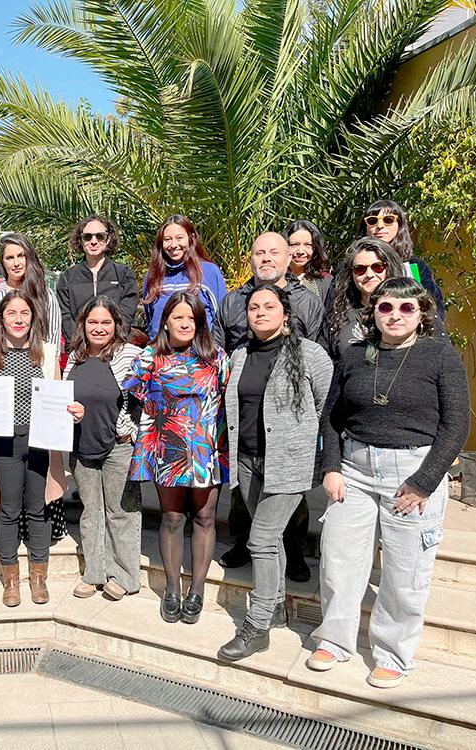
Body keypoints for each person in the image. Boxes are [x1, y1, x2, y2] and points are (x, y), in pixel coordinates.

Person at [311, 278, 469, 688]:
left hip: (412, 472)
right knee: (339, 560)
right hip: (355, 470)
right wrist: (331, 467)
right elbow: (332, 417)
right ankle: (334, 640)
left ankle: (393, 653)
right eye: (386, 307)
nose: (395, 315)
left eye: (406, 308)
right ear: (374, 312)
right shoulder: (353, 355)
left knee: (405, 571)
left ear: (421, 314)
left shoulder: (440, 356)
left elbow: (456, 426)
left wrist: (425, 481)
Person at [217, 285, 333, 662]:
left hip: (289, 464)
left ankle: (258, 625)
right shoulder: (240, 354)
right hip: (248, 461)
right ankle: (278, 605)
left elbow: (327, 407)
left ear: (285, 314)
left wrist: (316, 453)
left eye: (269, 306)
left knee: (262, 539)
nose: (260, 312)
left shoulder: (309, 354)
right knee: (272, 538)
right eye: (254, 307)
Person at [213, 232, 325, 579]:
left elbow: (316, 357)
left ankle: (293, 550)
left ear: (288, 257)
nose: (266, 258)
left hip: (288, 419)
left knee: (289, 494)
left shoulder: (307, 301)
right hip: (246, 406)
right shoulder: (233, 301)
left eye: (273, 252)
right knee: (242, 492)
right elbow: (219, 346)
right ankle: (242, 543)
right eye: (259, 252)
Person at [0, 290, 74, 607]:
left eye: (25, 313)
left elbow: (56, 399)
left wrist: (70, 410)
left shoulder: (47, 352)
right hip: (3, 443)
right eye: (12, 313)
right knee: (8, 510)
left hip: (39, 441)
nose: (19, 319)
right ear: (1, 318)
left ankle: (38, 577)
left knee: (38, 508)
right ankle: (11, 579)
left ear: (34, 318)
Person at [123, 292, 228, 623]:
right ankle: (171, 588)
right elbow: (131, 396)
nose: (185, 323)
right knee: (171, 518)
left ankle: (196, 590)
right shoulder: (150, 357)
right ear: (166, 321)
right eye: (178, 317)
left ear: (200, 323)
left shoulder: (217, 357)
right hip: (167, 448)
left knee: (205, 517)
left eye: (191, 318)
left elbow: (230, 400)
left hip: (206, 450)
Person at [64, 296, 142, 600]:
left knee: (121, 511)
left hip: (118, 446)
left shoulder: (130, 356)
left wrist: (131, 430)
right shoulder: (74, 357)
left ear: (116, 324)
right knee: (91, 512)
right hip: (82, 446)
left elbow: (145, 399)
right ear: (83, 325)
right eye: (92, 322)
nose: (99, 328)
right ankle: (94, 573)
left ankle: (124, 576)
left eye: (105, 322)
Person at [321, 238, 408, 359]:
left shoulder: (410, 312)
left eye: (378, 267)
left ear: (390, 268)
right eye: (360, 269)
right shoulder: (338, 315)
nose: (369, 275)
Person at [55, 215, 139, 343]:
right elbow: (65, 315)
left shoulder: (124, 274)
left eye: (100, 236)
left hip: (116, 346)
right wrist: (77, 344)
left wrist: (114, 342)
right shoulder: (67, 277)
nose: (93, 241)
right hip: (80, 348)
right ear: (80, 240)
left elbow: (127, 313)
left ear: (108, 239)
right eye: (87, 237)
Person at [142, 215, 228, 338]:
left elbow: (222, 318)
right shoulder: (153, 276)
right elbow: (150, 318)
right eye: (167, 239)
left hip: (200, 347)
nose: (173, 245)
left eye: (179, 238)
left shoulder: (209, 272)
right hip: (161, 348)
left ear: (191, 238)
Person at [0, 232, 63, 349]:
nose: (16, 263)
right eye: (10, 258)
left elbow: (53, 344)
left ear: (29, 258)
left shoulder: (45, 295)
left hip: (37, 359)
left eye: (21, 256)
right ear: (3, 262)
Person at [358, 199, 445, 317]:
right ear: (366, 227)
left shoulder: (415, 266)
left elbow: (434, 307)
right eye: (372, 221)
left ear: (399, 225)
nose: (380, 226)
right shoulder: (354, 266)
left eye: (388, 220)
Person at [285, 220, 332, 301]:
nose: (300, 251)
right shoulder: (274, 278)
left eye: (308, 245)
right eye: (294, 245)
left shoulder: (325, 280)